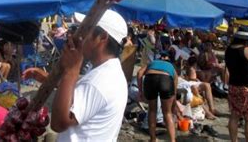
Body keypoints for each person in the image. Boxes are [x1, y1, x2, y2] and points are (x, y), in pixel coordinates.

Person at [24, 10, 128, 141]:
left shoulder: (100, 80)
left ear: (102, 37)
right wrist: (51, 79)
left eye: (86, 29)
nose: (79, 35)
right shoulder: (109, 70)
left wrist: (71, 70)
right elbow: (82, 89)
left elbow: (59, 123)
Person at [137, 52, 178, 142]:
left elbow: (139, 73)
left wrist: (140, 91)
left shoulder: (153, 62)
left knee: (152, 111)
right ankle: (172, 140)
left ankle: (153, 139)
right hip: (166, 80)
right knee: (167, 113)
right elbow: (174, 89)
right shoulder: (171, 67)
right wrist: (173, 104)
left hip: (150, 78)